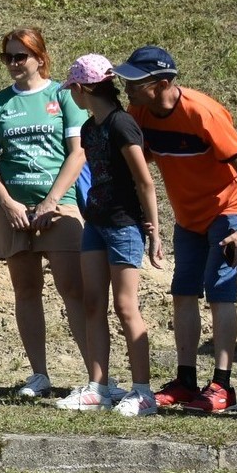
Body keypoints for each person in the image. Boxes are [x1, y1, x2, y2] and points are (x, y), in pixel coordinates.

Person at [117, 45, 237, 414]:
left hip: (224, 214)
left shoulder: (202, 113)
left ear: (162, 82)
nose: (126, 87)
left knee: (220, 293)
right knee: (183, 293)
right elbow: (138, 166)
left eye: (135, 81)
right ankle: (185, 381)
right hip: (187, 220)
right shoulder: (140, 112)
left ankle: (222, 386)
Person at [0, 28, 88, 400]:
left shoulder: (63, 96)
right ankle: (39, 375)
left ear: (40, 57)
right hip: (14, 213)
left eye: (20, 56)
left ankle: (96, 377)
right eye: (8, 57)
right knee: (26, 291)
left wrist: (52, 201)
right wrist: (8, 204)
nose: (13, 64)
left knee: (74, 290)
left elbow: (78, 153)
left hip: (59, 209)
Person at [56, 55, 164, 417]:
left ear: (84, 89)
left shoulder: (123, 124)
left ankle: (143, 392)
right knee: (92, 303)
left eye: (72, 89)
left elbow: (144, 181)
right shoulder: (90, 129)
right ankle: (98, 388)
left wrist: (155, 230)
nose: (71, 95)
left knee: (125, 305)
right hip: (96, 225)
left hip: (123, 226)